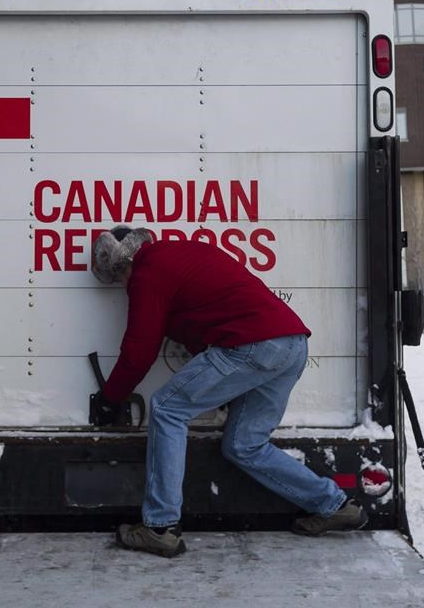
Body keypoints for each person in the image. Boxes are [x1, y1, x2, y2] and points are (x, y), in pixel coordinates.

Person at [91, 225, 367, 558]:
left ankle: (160, 527)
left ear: (123, 264)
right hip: (291, 344)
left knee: (167, 408)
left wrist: (112, 395)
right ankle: (333, 504)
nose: (125, 288)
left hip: (252, 345)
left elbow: (140, 351)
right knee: (244, 444)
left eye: (120, 280)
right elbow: (204, 330)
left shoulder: (147, 274)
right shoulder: (181, 255)